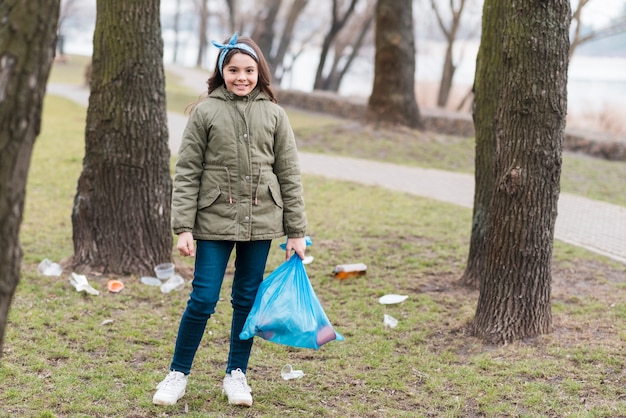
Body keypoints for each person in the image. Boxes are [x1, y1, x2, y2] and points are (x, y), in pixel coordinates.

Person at [152, 32, 307, 407]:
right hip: (213, 220)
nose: (241, 77)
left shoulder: (274, 114)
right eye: (234, 69)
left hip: (262, 221)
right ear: (222, 72)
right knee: (203, 298)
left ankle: (236, 374)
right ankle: (178, 373)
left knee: (246, 299)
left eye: (249, 70)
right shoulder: (205, 112)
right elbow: (188, 171)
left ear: (260, 72)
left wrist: (296, 233)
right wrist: (184, 227)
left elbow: (289, 174)